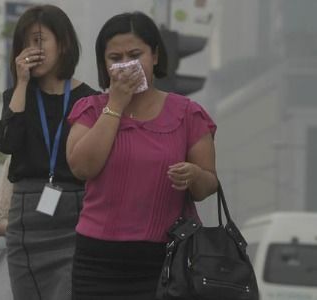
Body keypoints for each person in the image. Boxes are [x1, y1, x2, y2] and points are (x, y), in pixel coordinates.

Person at [66, 12, 218, 300]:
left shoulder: (187, 113)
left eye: (135, 54)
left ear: (155, 56)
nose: (127, 65)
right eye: (116, 57)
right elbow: (81, 167)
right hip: (97, 260)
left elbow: (208, 184)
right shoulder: (91, 109)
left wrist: (195, 175)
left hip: (165, 259)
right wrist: (116, 104)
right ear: (104, 64)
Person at [0, 4, 98, 300]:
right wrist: (21, 82)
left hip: (76, 212)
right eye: (25, 43)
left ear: (62, 43)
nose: (31, 50)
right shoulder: (18, 96)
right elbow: (7, 143)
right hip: (27, 217)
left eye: (39, 40)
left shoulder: (88, 99)